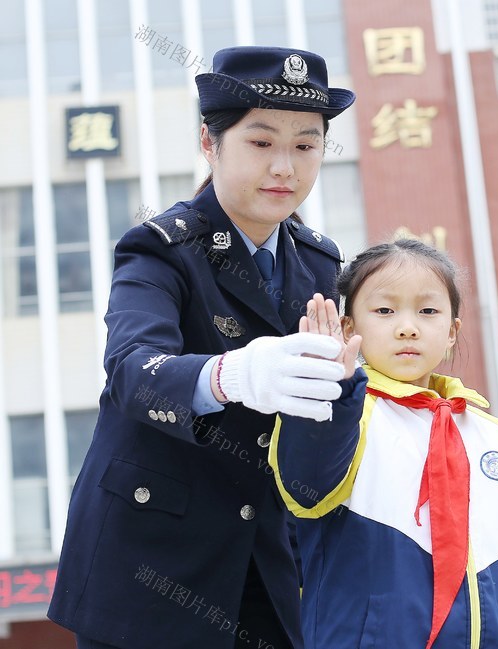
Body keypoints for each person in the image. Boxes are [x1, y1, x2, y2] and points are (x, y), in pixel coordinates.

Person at [47, 46, 357, 649]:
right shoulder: (162, 247)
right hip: (150, 564)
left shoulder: (320, 262)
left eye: (306, 144)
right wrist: (228, 376)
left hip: (266, 566)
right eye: (261, 142)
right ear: (209, 144)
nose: (285, 168)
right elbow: (133, 373)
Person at [268, 239, 498, 648]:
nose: (407, 326)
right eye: (384, 310)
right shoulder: (341, 416)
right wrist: (332, 395)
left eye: (427, 311)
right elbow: (305, 486)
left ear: (452, 332)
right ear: (348, 328)